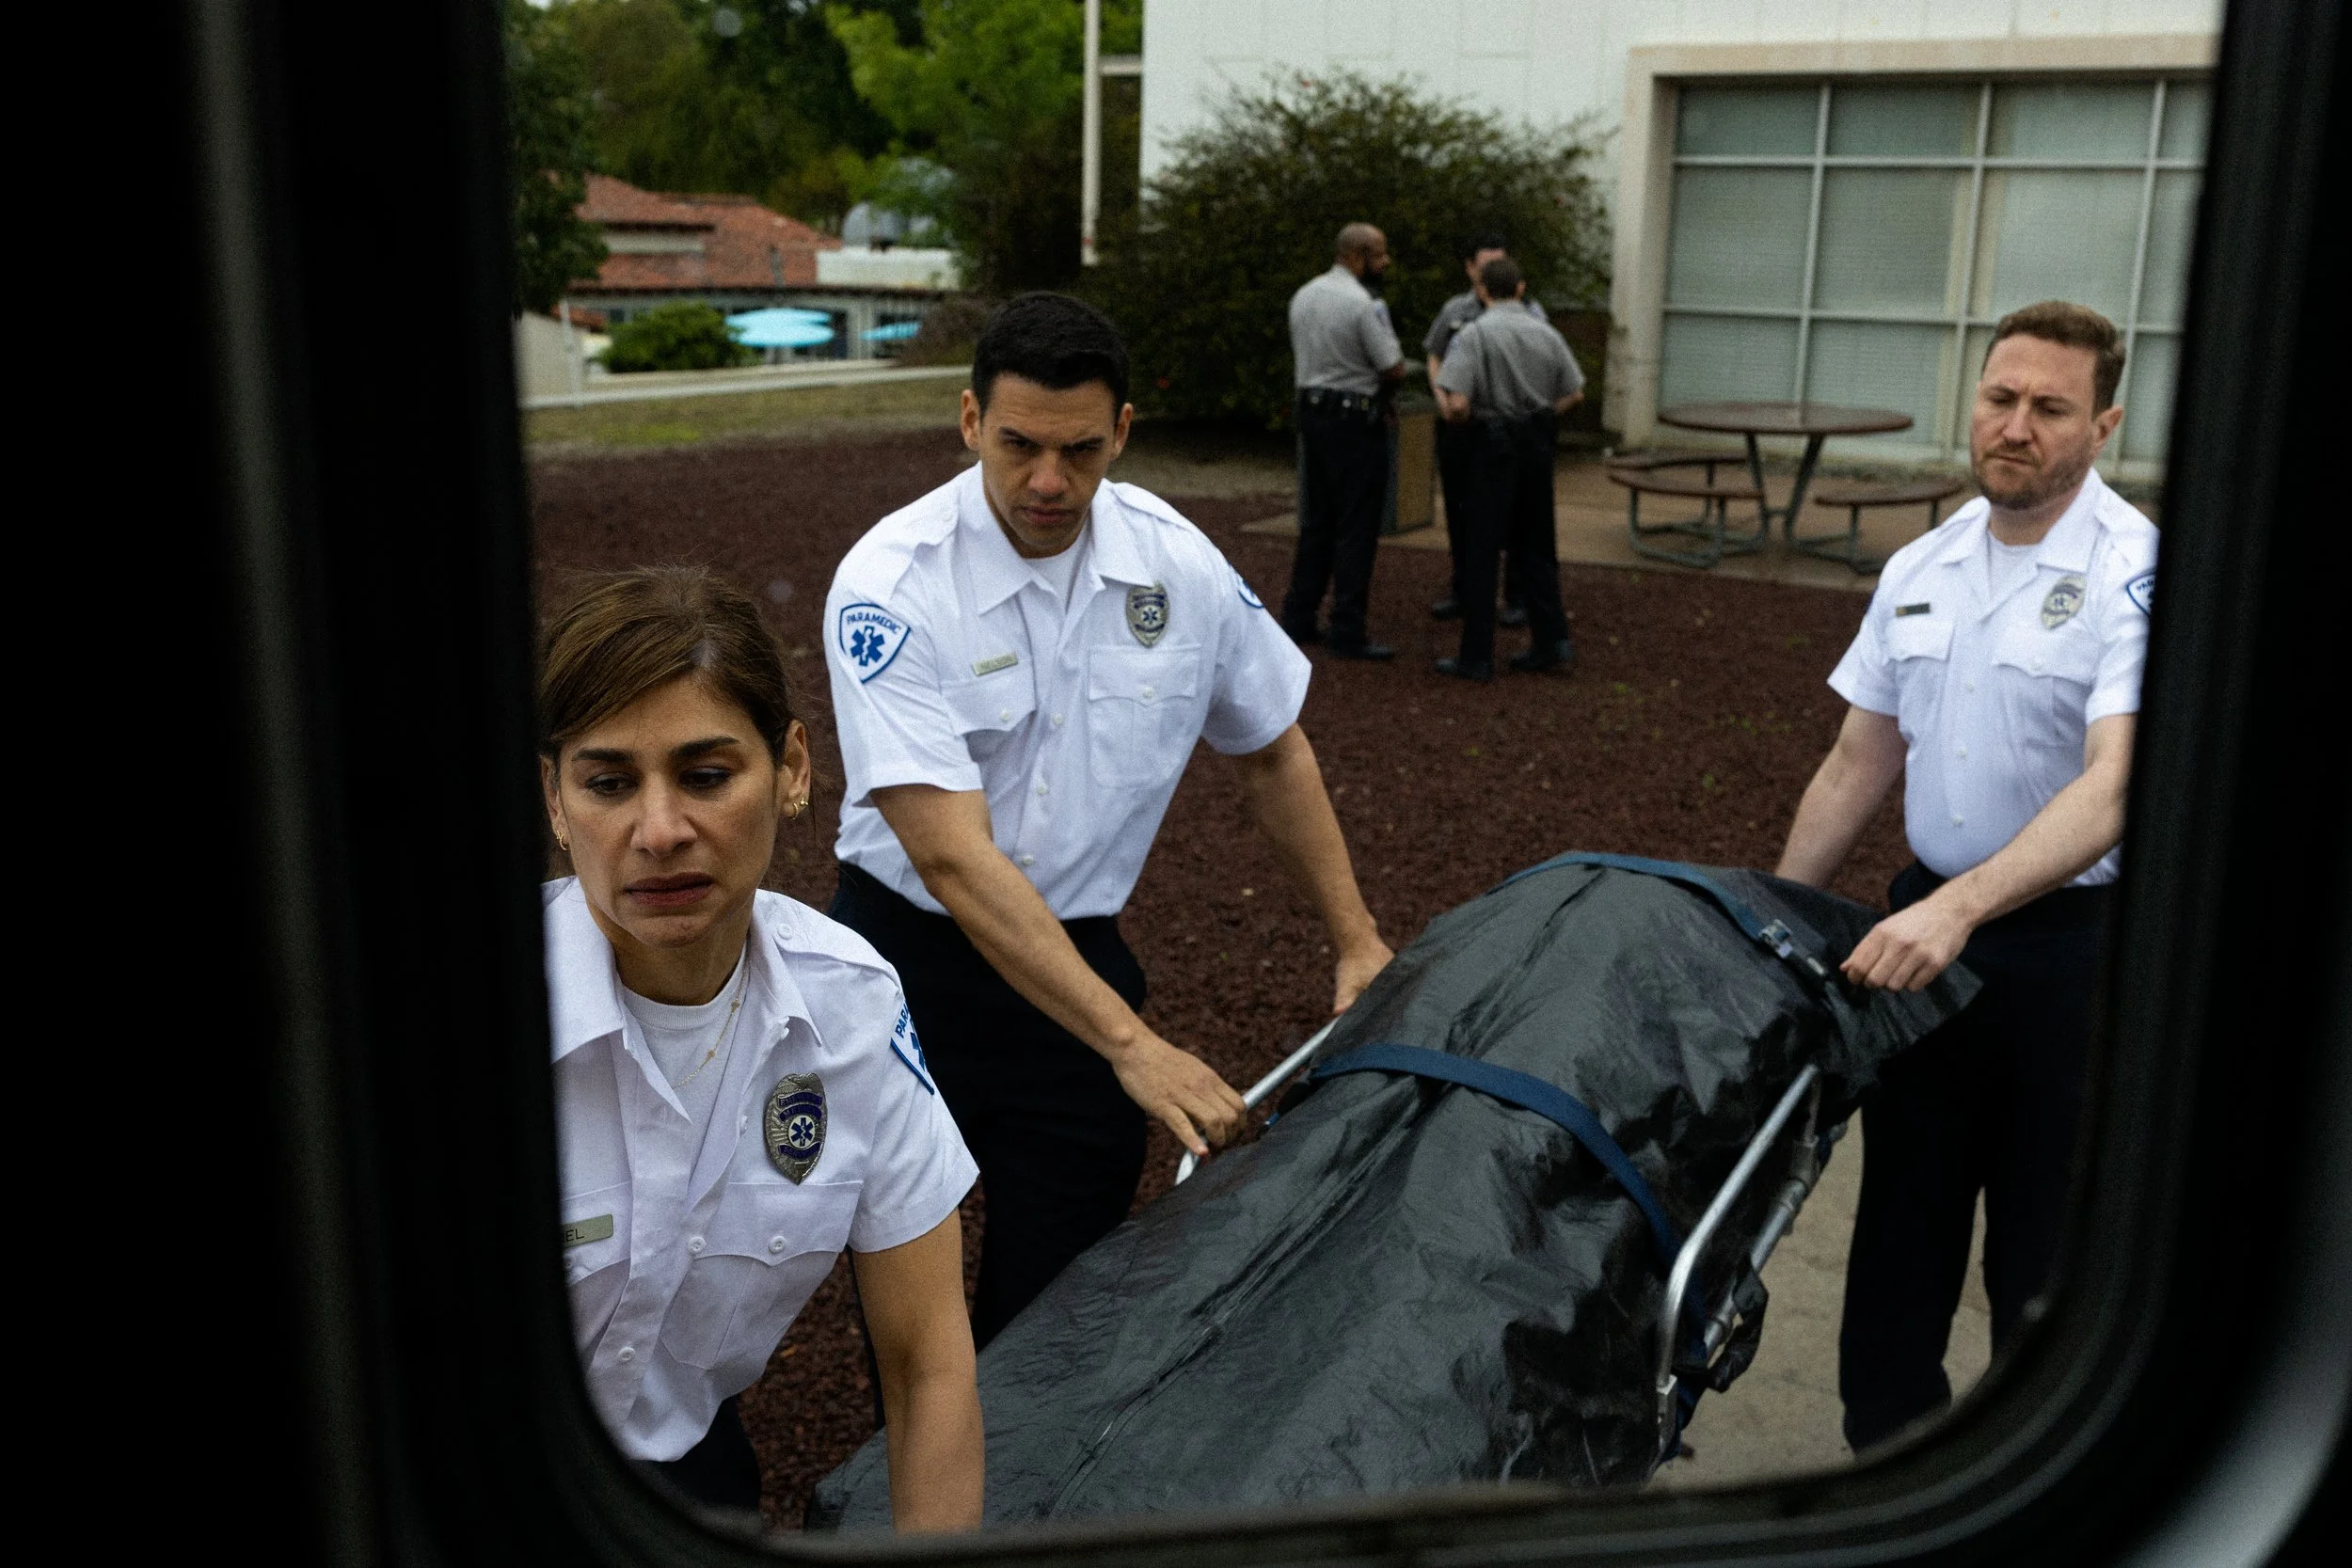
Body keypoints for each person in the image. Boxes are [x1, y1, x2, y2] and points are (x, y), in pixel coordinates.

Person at [823, 293, 1396, 1347]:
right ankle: (915, 1501)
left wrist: (1355, 938)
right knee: (918, 1324)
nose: (1049, 482)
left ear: (1124, 431)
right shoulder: (891, 583)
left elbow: (1271, 747)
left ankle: (1030, 1504)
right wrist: (1134, 1044)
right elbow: (949, 855)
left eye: (1082, 450)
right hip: (909, 971)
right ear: (967, 422)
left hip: (1074, 962)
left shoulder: (1176, 564)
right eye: (1019, 446)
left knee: (1053, 1306)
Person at [1771, 301, 2155, 1453]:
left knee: (2045, 1256)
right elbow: (1856, 762)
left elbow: (2114, 786)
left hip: (2073, 958)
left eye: (2050, 407)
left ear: (2103, 424)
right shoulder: (1920, 565)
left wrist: (1960, 904)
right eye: (2000, 398)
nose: (2017, 425)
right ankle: (1889, 1472)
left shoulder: (2136, 571)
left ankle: (2034, 1484)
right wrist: (1770, 919)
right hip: (1923, 951)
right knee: (1900, 1238)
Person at [540, 566, 983, 1527]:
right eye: (608, 781)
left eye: (706, 774)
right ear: (554, 799)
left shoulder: (853, 1008)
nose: (660, 830)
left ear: (790, 769)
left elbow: (927, 1361)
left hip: (688, 1477)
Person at [1431, 256, 1583, 681]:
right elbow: (1575, 393)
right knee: (1537, 546)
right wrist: (1542, 417)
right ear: (1520, 288)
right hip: (1535, 444)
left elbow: (1458, 401)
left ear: (1482, 292)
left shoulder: (1475, 334)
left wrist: (1457, 416)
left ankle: (1476, 656)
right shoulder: (1546, 333)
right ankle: (1551, 641)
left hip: (1493, 446)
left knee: (1482, 549)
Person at [1281, 221, 1406, 660]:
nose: (1386, 262)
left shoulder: (1304, 294)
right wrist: (1386, 397)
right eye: (1380, 254)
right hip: (1354, 419)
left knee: (1318, 518)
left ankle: (1298, 616)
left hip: (1312, 413)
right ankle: (1348, 628)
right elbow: (1391, 366)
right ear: (1355, 256)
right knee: (1356, 524)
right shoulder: (1363, 304)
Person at [1425, 230, 1549, 628]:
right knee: (1461, 511)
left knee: (1516, 515)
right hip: (1461, 429)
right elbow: (1435, 354)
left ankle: (1516, 596)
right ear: (1469, 268)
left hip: (1505, 430)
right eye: (1485, 265)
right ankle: (1466, 590)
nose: (1493, 272)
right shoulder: (1456, 310)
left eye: (1500, 263)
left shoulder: (1530, 313)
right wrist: (1443, 398)